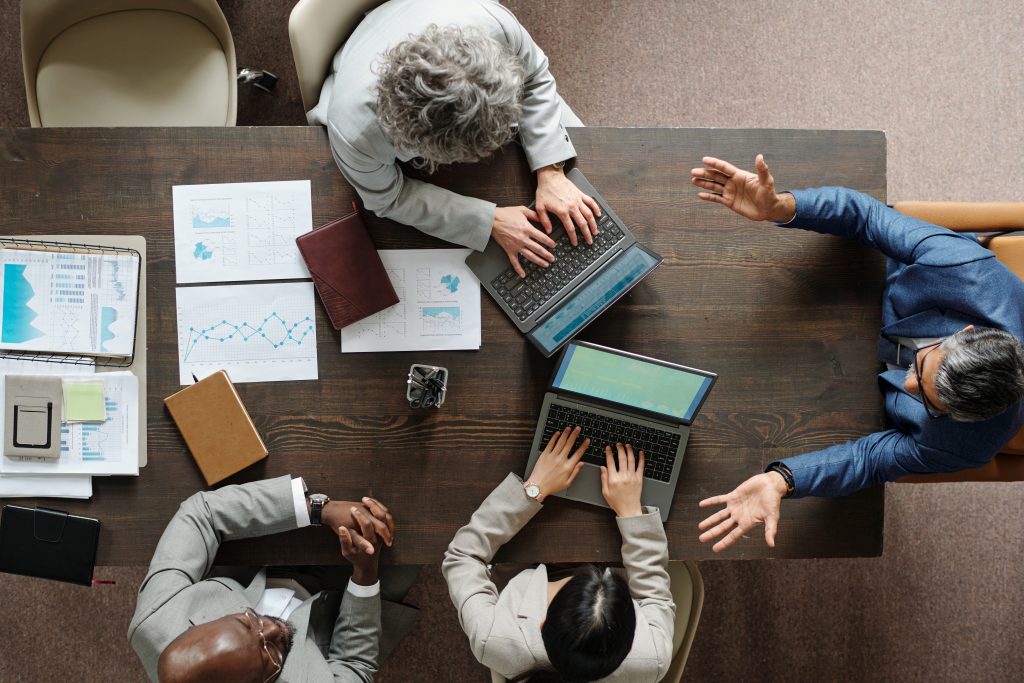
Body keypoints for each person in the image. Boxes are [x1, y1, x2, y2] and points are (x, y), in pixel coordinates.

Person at [690, 155, 1024, 552]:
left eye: (929, 403)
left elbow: (869, 461)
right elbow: (864, 215)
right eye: (922, 369)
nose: (910, 385)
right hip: (861, 287)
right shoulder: (964, 270)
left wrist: (782, 479)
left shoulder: (967, 443)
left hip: (850, 399)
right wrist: (780, 207)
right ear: (963, 333)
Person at [307, 0, 601, 278]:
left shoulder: (494, 24)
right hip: (363, 75)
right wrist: (489, 221)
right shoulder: (355, 133)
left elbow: (534, 75)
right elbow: (389, 198)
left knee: (591, 174)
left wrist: (551, 169)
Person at [443, 426, 675, 682]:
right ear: (631, 640)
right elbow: (653, 597)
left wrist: (533, 490)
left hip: (523, 561)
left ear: (542, 624)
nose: (591, 571)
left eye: (574, 583)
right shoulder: (651, 658)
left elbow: (462, 556)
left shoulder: (493, 638)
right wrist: (632, 513)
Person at [128, 475, 395, 682]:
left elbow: (202, 513)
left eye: (246, 622)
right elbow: (355, 665)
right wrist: (366, 571)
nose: (274, 629)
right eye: (269, 655)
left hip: (254, 557)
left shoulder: (157, 619)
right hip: (338, 607)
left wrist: (317, 510)